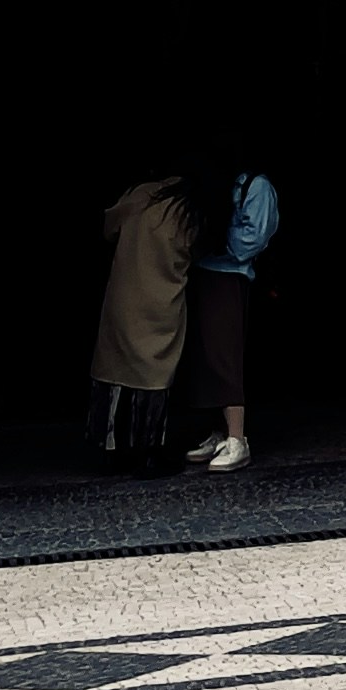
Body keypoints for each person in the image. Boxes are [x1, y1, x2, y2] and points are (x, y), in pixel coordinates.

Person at [87, 166, 200, 472]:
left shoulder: (139, 195)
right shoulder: (191, 207)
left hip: (127, 294)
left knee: (112, 371)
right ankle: (148, 451)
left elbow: (108, 228)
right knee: (155, 376)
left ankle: (104, 449)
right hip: (165, 299)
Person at [184, 155, 281, 474]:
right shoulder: (220, 180)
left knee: (224, 355)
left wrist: (216, 244)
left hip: (229, 275)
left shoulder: (256, 185)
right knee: (205, 355)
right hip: (204, 271)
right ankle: (220, 433)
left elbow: (252, 239)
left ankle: (237, 438)